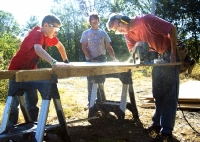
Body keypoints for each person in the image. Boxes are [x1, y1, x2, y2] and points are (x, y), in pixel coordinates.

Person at [106, 13, 180, 141]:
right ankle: (156, 124)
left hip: (169, 53)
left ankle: (166, 131)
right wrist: (138, 49)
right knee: (158, 93)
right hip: (157, 58)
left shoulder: (146, 20)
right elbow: (132, 51)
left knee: (169, 95)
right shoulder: (128, 34)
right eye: (117, 32)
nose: (120, 32)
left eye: (118, 28)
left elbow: (172, 28)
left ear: (123, 19)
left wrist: (173, 54)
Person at [7, 14, 71, 127]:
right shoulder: (37, 33)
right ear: (46, 25)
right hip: (16, 72)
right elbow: (38, 49)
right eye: (55, 28)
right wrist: (54, 62)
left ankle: (33, 127)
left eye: (58, 29)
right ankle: (8, 130)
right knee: (13, 104)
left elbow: (60, 46)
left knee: (32, 102)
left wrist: (66, 61)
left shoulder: (48, 37)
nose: (56, 32)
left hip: (31, 73)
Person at [80, 12, 118, 105]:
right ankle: (91, 102)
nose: (94, 20)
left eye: (96, 19)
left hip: (102, 59)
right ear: (90, 21)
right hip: (90, 60)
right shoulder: (86, 33)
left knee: (101, 80)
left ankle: (101, 101)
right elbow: (84, 47)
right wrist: (90, 59)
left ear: (98, 21)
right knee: (91, 81)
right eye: (92, 19)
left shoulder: (103, 33)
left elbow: (108, 47)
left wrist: (114, 59)